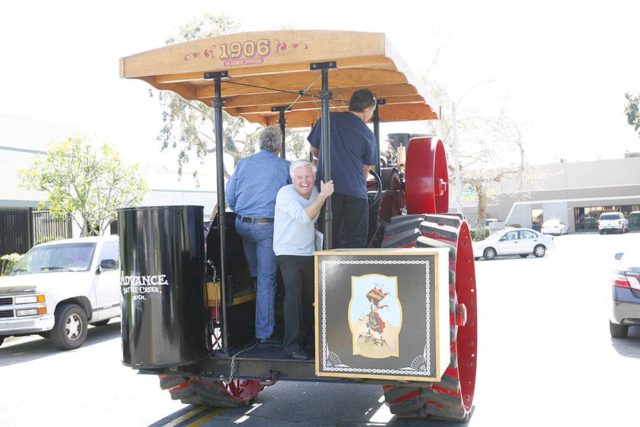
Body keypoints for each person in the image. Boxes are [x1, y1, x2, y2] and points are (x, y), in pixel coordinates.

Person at [226, 126, 290, 345]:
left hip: (242, 225)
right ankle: (263, 332)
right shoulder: (284, 167)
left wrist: (243, 212)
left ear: (260, 143)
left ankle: (252, 303)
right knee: (266, 280)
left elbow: (230, 197)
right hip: (266, 229)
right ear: (279, 146)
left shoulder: (243, 163)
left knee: (255, 275)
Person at [273, 160, 334, 359]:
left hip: (309, 251)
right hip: (288, 252)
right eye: (299, 177)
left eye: (308, 177)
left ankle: (308, 341)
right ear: (292, 179)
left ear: (314, 178)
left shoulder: (316, 191)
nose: (304, 181)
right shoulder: (285, 193)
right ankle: (291, 345)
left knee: (309, 299)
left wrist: (321, 195)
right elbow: (303, 218)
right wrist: (324, 196)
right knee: (294, 298)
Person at [307, 88, 377, 248]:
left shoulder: (327, 119)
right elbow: (365, 170)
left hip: (327, 191)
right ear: (366, 110)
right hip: (355, 194)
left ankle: (327, 272)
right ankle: (353, 271)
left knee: (328, 237)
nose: (371, 116)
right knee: (356, 241)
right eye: (372, 112)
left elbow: (314, 150)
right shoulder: (368, 135)